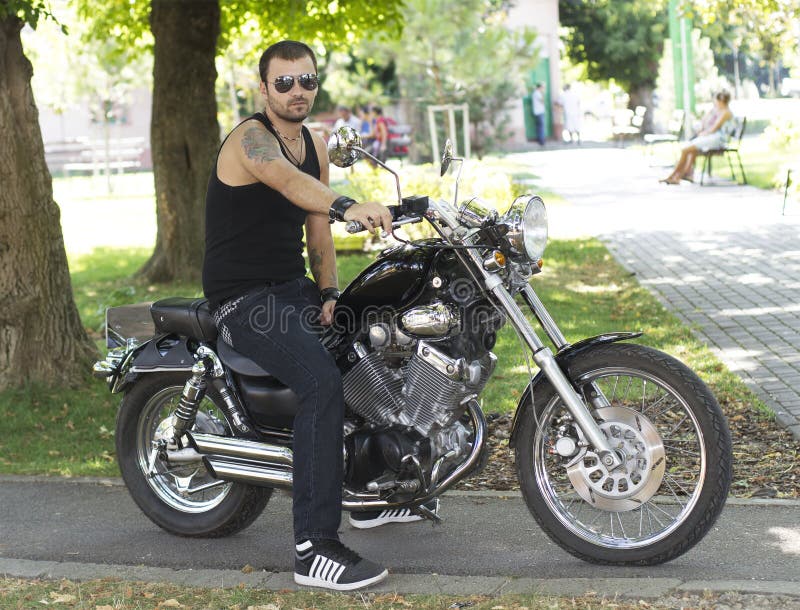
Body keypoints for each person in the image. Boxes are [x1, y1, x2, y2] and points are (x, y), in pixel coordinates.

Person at [202, 40, 396, 592]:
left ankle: (370, 492)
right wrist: (347, 204)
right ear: (262, 88)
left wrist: (330, 291)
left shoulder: (313, 141)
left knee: (380, 342)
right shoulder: (251, 138)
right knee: (318, 380)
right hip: (242, 297)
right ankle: (313, 548)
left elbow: (316, 226)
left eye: (306, 81)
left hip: (292, 288)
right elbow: (290, 184)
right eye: (283, 83)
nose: (296, 92)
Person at [660, 90, 734, 185]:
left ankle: (674, 176)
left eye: (716, 100)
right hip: (712, 137)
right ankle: (682, 175)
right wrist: (710, 114)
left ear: (721, 101)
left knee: (685, 150)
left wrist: (703, 133)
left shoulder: (726, 112)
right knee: (690, 149)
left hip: (717, 140)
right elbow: (704, 122)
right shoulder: (717, 110)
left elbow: (714, 128)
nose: (715, 102)